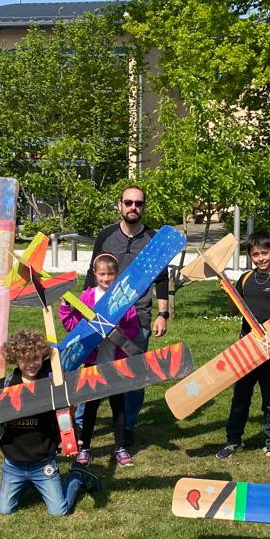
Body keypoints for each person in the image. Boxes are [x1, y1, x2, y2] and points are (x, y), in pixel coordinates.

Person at [0, 331, 101, 516]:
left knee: (58, 511)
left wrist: (74, 435)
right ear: (15, 359)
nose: (31, 364)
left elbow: (64, 414)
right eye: (25, 359)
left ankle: (78, 474)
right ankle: (25, 483)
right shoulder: (5, 385)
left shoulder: (52, 384)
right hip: (13, 464)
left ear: (42, 356)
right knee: (4, 510)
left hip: (43, 462)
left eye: (35, 358)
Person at [82, 186, 170, 446]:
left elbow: (162, 279)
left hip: (137, 320)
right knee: (92, 372)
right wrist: (84, 313)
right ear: (119, 204)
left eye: (139, 203)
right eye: (128, 202)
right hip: (101, 318)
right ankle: (81, 424)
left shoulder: (154, 239)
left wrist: (162, 314)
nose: (134, 207)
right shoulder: (106, 236)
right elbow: (91, 275)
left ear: (144, 207)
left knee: (134, 375)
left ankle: (127, 425)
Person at [214, 231, 270, 463]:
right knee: (241, 396)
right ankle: (233, 440)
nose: (261, 258)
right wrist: (229, 294)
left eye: (265, 253)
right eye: (255, 254)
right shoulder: (246, 279)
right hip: (247, 348)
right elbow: (234, 309)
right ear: (250, 256)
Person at [59, 253, 139, 468]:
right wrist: (65, 308)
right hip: (93, 362)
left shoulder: (123, 297)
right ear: (95, 274)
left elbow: (134, 326)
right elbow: (72, 326)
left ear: (116, 275)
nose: (106, 278)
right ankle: (84, 448)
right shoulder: (87, 297)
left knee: (118, 406)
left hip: (115, 362)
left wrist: (123, 331)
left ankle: (120, 447)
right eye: (102, 274)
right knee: (91, 406)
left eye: (110, 274)